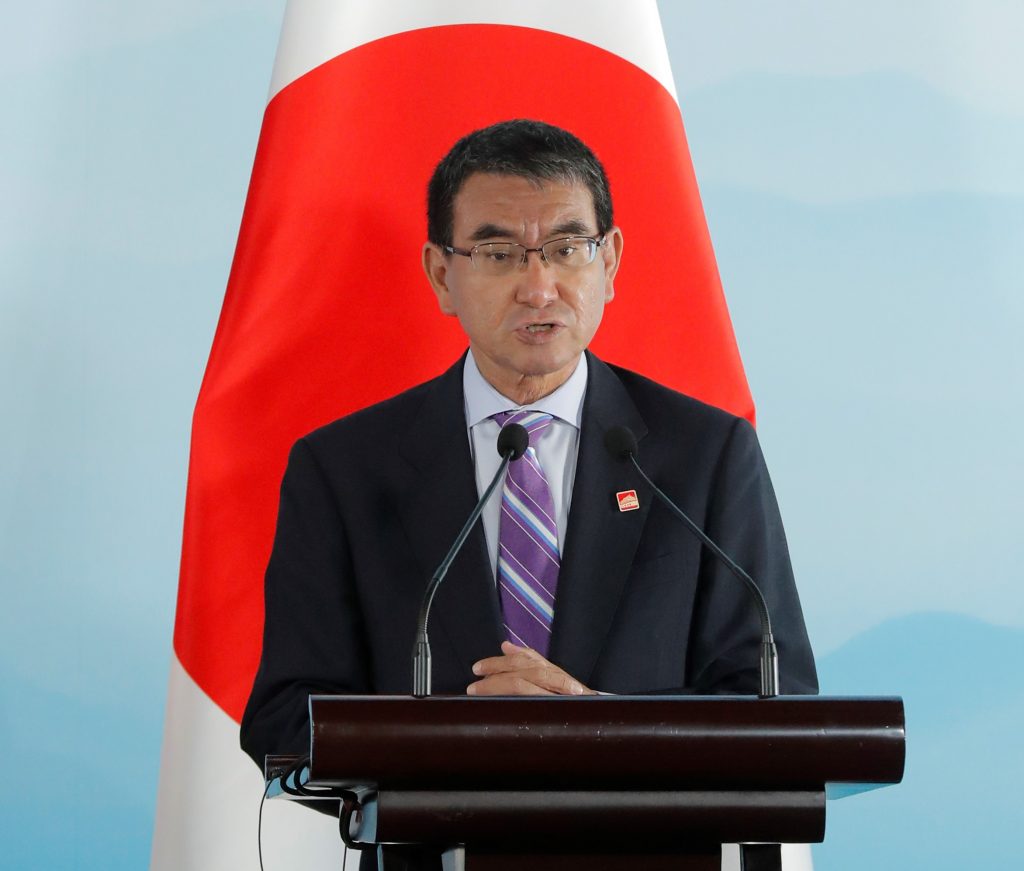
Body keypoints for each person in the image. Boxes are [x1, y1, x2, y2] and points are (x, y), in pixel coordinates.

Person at [240, 118, 816, 812]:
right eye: (500, 254)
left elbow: (775, 706)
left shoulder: (704, 455)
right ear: (441, 274)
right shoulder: (343, 469)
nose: (539, 287)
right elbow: (283, 718)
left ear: (609, 263)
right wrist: (460, 747)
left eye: (568, 248)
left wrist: (596, 724)